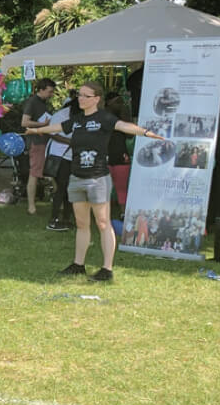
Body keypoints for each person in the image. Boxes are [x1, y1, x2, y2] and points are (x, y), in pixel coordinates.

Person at [26, 82, 165, 282]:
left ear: (96, 99)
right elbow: (58, 127)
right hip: (76, 177)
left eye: (86, 96)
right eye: (79, 95)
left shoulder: (104, 118)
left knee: (102, 223)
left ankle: (107, 269)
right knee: (82, 224)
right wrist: (36, 130)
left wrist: (146, 132)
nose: (80, 99)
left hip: (97, 179)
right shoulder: (77, 120)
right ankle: (78, 265)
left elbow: (123, 126)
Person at [20, 78, 57, 215]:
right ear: (41, 90)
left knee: (51, 171)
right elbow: (25, 122)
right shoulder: (32, 102)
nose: (51, 94)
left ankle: (57, 199)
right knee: (35, 173)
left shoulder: (43, 103)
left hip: (45, 141)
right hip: (37, 142)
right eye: (49, 91)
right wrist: (42, 125)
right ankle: (31, 206)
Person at [44, 94, 79, 232]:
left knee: (70, 189)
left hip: (72, 156)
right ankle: (54, 219)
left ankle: (66, 218)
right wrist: (69, 142)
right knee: (61, 188)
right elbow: (51, 132)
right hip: (60, 155)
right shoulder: (61, 115)